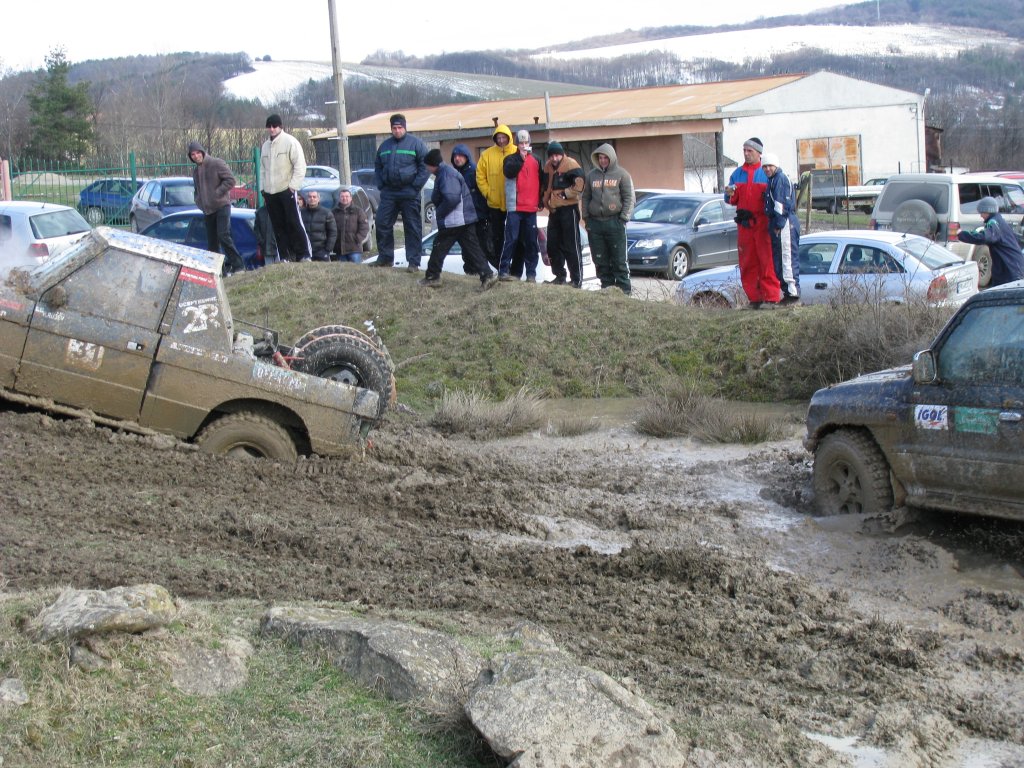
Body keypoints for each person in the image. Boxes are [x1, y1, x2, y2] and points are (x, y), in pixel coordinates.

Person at [417, 148, 498, 291]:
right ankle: (487, 275)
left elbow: (452, 199)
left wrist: (440, 212)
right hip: (463, 219)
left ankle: (432, 277)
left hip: (455, 220)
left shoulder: (446, 174)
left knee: (439, 247)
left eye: (427, 166)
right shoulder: (446, 172)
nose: (427, 169)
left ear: (432, 165)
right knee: (473, 248)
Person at [726, 137, 780, 309]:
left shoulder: (767, 172)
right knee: (747, 262)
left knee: (767, 261)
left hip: (763, 224)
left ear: (759, 153)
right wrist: (730, 194)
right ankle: (754, 299)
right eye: (744, 150)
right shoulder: (737, 174)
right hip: (744, 225)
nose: (746, 153)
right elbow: (729, 199)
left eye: (750, 151)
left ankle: (771, 298)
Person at [372, 114, 429, 271]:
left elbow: (425, 166)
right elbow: (378, 166)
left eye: (400, 127)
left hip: (409, 192)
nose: (397, 131)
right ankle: (385, 258)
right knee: (382, 223)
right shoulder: (384, 146)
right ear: (391, 129)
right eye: (394, 128)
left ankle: (413, 262)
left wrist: (415, 186)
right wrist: (381, 184)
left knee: (412, 227)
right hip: (389, 192)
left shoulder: (416, 144)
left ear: (405, 127)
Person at [582, 142, 635, 294]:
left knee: (619, 260)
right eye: (600, 158)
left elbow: (629, 198)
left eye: (605, 158)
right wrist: (586, 218)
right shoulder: (591, 176)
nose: (603, 161)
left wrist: (623, 219)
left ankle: (625, 292)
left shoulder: (622, 175)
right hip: (595, 224)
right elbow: (585, 198)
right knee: (600, 261)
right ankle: (607, 290)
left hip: (615, 222)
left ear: (611, 158)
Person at [187, 141, 244, 276]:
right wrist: (199, 201)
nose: (196, 156)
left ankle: (239, 266)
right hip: (207, 210)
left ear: (202, 152)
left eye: (198, 153)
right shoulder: (196, 171)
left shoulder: (216, 163)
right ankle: (219, 272)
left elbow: (230, 180)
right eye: (193, 154)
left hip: (222, 206)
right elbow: (197, 190)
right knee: (212, 244)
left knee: (223, 235)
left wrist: (217, 193)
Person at [260, 114, 311, 262]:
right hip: (270, 192)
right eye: (269, 126)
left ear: (280, 126)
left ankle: (304, 254)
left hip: (286, 190)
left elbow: (300, 165)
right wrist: (263, 189)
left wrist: (293, 187)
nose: (272, 129)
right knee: (278, 226)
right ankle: (284, 257)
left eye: (274, 126)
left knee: (294, 222)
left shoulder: (290, 142)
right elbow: (262, 169)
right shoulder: (265, 146)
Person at [497, 130, 544, 282]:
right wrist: (521, 158)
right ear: (517, 144)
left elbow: (542, 181)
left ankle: (531, 274)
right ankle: (503, 270)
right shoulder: (510, 159)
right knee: (511, 240)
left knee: (531, 242)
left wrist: (541, 200)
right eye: (521, 143)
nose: (524, 146)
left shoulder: (537, 159)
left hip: (531, 208)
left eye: (526, 143)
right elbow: (509, 172)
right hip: (515, 208)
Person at [541, 141, 585, 287]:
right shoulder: (547, 167)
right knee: (552, 245)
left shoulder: (571, 164)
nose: (554, 158)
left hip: (569, 209)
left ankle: (576, 279)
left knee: (571, 245)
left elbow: (580, 184)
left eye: (557, 155)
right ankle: (560, 276)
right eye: (551, 155)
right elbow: (544, 186)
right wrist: (543, 200)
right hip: (554, 210)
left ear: (562, 154)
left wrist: (566, 194)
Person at [475, 124, 517, 270]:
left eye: (503, 137)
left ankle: (514, 267)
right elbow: (480, 176)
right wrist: (488, 193)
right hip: (494, 204)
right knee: (497, 237)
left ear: (509, 137)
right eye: (498, 138)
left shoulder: (516, 152)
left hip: (513, 203)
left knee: (514, 236)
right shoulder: (486, 154)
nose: (501, 140)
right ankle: (501, 267)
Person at [761, 152, 800, 304]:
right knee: (780, 260)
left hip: (785, 224)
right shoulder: (773, 180)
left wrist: (778, 224)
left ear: (776, 165)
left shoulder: (780, 180)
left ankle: (793, 294)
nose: (767, 169)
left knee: (787, 258)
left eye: (770, 166)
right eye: (764, 166)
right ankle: (788, 292)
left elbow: (781, 204)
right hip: (780, 223)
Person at [958, 196, 1024, 287]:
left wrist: (961, 234)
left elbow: (983, 237)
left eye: (981, 212)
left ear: (988, 211)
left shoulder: (994, 223)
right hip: (1008, 268)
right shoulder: (998, 221)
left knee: (1005, 293)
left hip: (1010, 268)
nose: (980, 215)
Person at [451, 144, 490, 275]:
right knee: (467, 247)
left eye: (460, 156)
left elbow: (481, 194)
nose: (457, 159)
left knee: (478, 246)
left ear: (466, 157)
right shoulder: (455, 173)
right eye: (455, 156)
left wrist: (483, 214)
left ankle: (482, 272)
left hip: (477, 216)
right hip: (463, 217)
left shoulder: (474, 171)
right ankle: (470, 272)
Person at [332, 188, 368, 263]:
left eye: (347, 196)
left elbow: (364, 227)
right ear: (339, 198)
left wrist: (357, 239)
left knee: (356, 269)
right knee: (342, 270)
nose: (344, 198)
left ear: (351, 198)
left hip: (354, 249)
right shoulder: (334, 212)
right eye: (342, 196)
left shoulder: (358, 211)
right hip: (339, 249)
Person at [299, 190, 337, 262]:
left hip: (321, 251)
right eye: (310, 197)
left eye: (314, 197)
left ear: (318, 199)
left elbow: (333, 232)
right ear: (306, 199)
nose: (312, 199)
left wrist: (328, 249)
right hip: (304, 251)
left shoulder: (327, 213)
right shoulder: (300, 213)